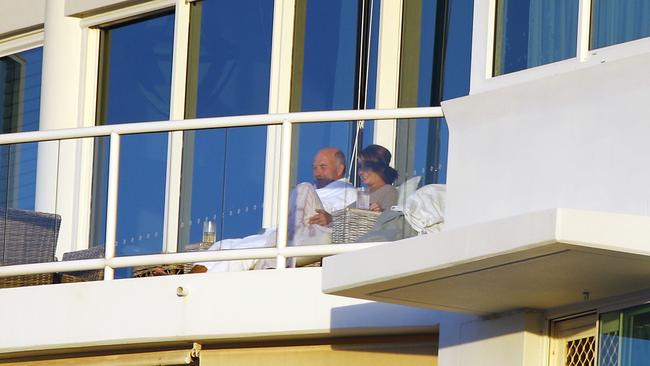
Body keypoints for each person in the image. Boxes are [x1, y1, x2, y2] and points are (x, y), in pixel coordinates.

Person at [188, 147, 357, 273]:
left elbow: (350, 221)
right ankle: (195, 276)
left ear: (340, 169)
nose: (317, 172)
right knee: (225, 245)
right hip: (280, 232)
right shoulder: (317, 190)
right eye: (314, 167)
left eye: (323, 166)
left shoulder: (347, 193)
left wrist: (331, 218)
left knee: (245, 254)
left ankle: (204, 282)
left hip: (302, 236)